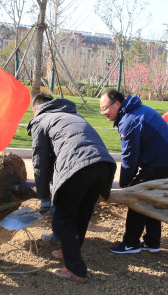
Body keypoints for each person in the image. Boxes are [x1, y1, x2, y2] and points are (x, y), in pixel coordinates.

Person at [28, 94, 116, 283]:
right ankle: (70, 251)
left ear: (36, 109)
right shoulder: (73, 115)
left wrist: (44, 197)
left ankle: (76, 270)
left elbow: (40, 162)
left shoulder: (40, 120)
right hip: (104, 165)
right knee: (82, 213)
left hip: (79, 167)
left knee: (62, 218)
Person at [100, 89, 168, 254]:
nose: (103, 112)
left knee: (137, 196)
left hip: (161, 161)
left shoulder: (129, 119)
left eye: (105, 108)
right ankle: (152, 242)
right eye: (101, 109)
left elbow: (129, 156)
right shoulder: (133, 111)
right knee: (152, 198)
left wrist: (126, 183)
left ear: (116, 104)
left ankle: (131, 243)